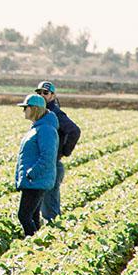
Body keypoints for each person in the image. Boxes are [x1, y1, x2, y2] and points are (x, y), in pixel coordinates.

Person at [35, 81, 81, 223]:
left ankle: (55, 235)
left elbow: (74, 131)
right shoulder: (42, 112)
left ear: (53, 95)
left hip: (53, 164)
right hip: (46, 163)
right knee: (43, 203)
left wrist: (65, 151)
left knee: (50, 207)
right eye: (39, 92)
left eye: (45, 93)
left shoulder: (55, 113)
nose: (42, 95)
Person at [14, 93, 59, 236]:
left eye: (26, 108)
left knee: (24, 215)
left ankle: (32, 242)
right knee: (32, 216)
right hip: (33, 180)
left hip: (36, 180)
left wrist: (32, 173)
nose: (24, 111)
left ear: (34, 109)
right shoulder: (38, 127)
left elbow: (48, 157)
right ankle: (37, 243)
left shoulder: (45, 129)